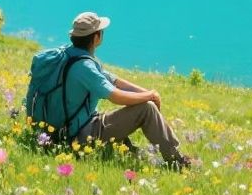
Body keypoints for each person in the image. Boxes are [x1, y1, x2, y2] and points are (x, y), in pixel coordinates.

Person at [26, 11, 192, 170]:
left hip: (58, 131)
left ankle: (136, 154)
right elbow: (115, 96)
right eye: (101, 31)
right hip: (77, 135)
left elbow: (114, 80)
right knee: (146, 109)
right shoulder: (84, 67)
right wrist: (149, 96)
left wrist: (147, 91)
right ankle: (178, 162)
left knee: (128, 133)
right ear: (96, 37)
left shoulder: (68, 54)